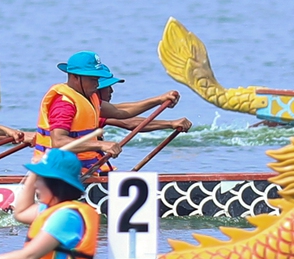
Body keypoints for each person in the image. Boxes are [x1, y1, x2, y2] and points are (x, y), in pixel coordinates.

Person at [35, 51, 184, 185]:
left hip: (81, 171)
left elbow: (121, 112)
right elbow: (58, 142)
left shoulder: (89, 99)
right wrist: (101, 145)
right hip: (57, 177)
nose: (97, 83)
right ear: (75, 77)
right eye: (92, 78)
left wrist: (159, 100)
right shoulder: (64, 104)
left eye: (97, 78)